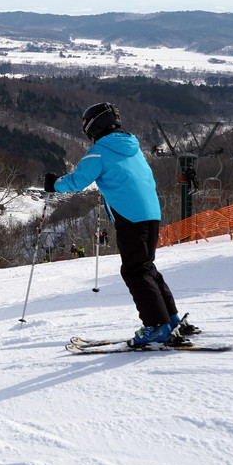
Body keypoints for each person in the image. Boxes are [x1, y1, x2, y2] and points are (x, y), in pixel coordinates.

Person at [45, 102, 192, 347]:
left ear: (93, 126)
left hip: (129, 217)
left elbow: (78, 181)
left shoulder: (100, 151)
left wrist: (54, 184)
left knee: (135, 271)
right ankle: (170, 320)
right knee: (146, 268)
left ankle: (157, 327)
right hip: (151, 213)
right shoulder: (133, 147)